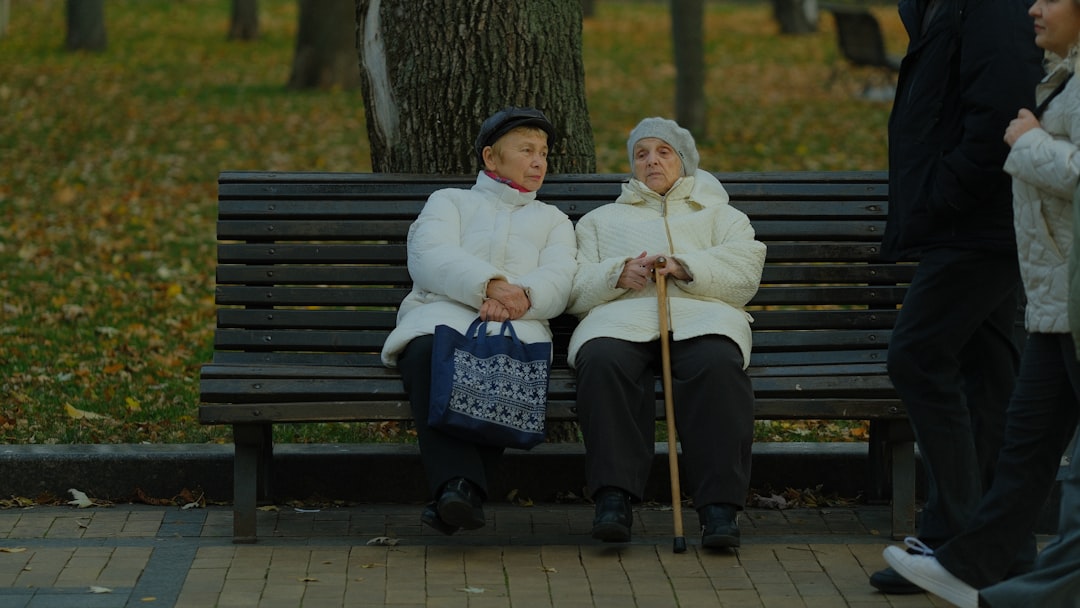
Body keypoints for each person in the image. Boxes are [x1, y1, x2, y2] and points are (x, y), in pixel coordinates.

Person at [880, 0, 1080, 604]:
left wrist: (942, 195)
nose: (1036, 8)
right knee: (1002, 393)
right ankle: (981, 555)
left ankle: (963, 544)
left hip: (976, 225)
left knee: (917, 356)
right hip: (1008, 244)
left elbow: (999, 116)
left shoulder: (994, 10)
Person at [565, 117, 766, 548]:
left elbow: (745, 274)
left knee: (717, 365)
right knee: (601, 362)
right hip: (622, 319)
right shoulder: (599, 222)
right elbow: (574, 286)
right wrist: (617, 274)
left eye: (663, 152)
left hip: (702, 317)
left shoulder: (721, 216)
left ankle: (719, 509)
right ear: (631, 166)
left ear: (684, 160)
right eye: (641, 154)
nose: (651, 161)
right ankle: (613, 500)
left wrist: (686, 266)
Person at [379, 107, 577, 535]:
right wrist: (488, 284)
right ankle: (461, 489)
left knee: (505, 362)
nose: (539, 161)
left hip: (516, 324)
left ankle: (454, 491)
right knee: (425, 353)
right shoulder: (450, 201)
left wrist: (522, 296)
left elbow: (561, 278)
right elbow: (428, 255)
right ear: (490, 157)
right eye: (526, 150)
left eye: (543, 152)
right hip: (441, 315)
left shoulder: (553, 220)